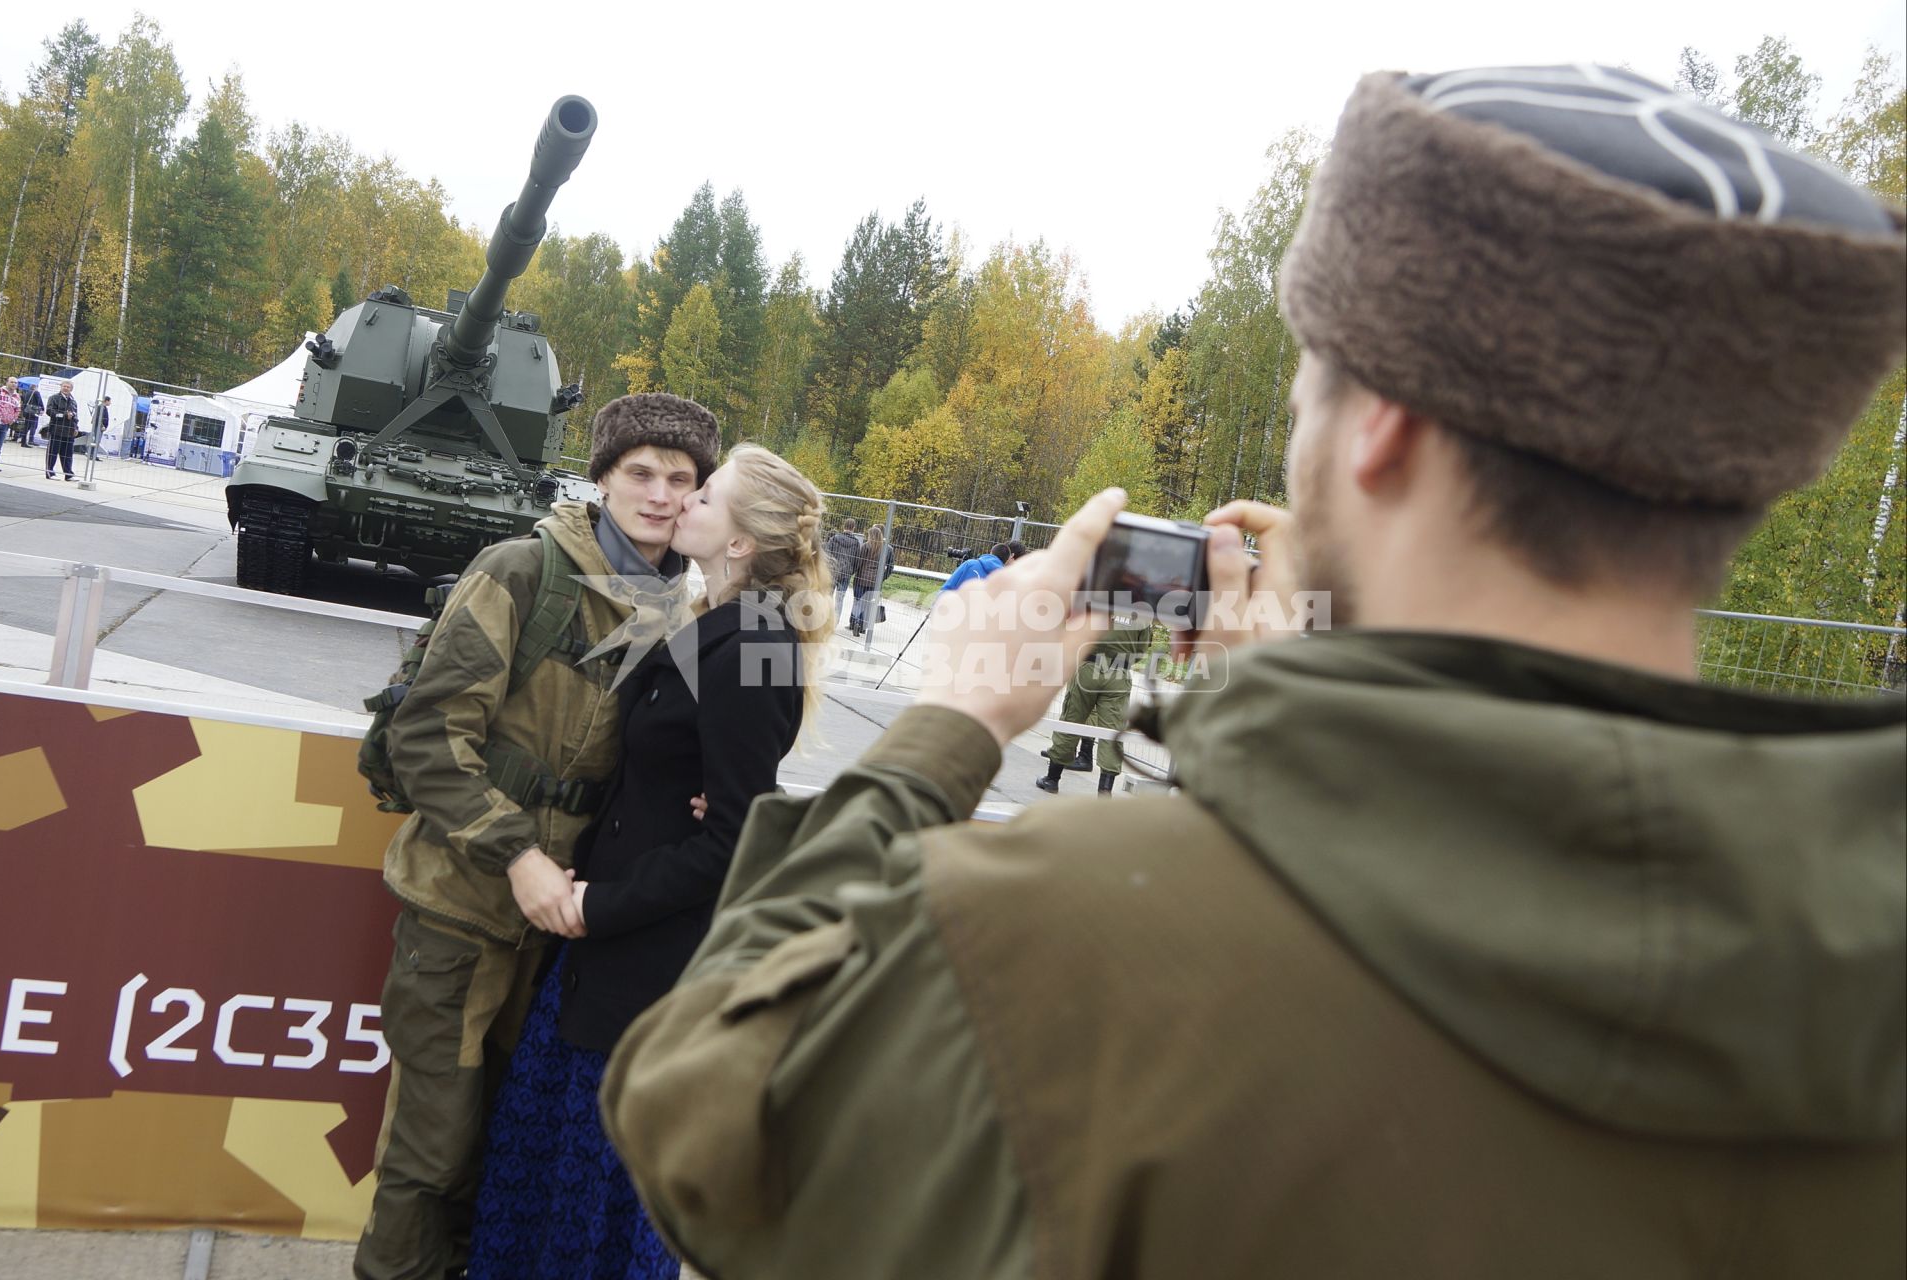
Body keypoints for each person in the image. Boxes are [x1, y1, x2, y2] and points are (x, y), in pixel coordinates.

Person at [599, 66, 1907, 1278]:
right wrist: (1289, 727)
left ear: (1381, 428)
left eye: (1305, 402)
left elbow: (705, 1114)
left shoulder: (1052, 952)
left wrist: (947, 725)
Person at [354, 393, 718, 1280]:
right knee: (432, 1153)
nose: (662, 494)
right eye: (641, 472)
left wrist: (709, 795)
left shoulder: (692, 608)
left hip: (573, 932)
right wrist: (517, 855)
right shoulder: (524, 570)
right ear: (602, 478)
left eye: (682, 478)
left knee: (514, 1153)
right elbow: (429, 736)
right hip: (464, 905)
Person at [468, 442, 828, 1280]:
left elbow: (737, 831)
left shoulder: (753, 641)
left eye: (706, 497)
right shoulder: (713, 619)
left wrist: (600, 906)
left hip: (646, 964)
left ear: (740, 543)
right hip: (615, 956)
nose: (684, 503)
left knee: (593, 1198)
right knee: (557, 1182)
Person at [1034, 615, 1150, 797]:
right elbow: (1141, 650)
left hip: (1088, 667)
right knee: (1112, 731)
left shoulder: (1097, 601)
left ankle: (1052, 779)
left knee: (1070, 722)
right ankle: (1104, 791)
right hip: (1119, 674)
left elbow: (1074, 633)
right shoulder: (1142, 613)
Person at [846, 523, 885, 636]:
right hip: (873, 581)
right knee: (867, 603)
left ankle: (856, 623)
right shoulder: (883, 549)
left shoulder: (865, 546)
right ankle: (863, 626)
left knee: (858, 602)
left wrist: (854, 572)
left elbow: (859, 562)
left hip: (861, 578)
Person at [939, 539, 1016, 591]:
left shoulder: (970, 564)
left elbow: (948, 588)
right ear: (1005, 561)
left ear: (991, 553)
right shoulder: (1005, 580)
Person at [42, 381, 80, 480]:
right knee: (52, 452)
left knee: (68, 454)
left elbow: (76, 416)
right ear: (61, 387)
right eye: (64, 386)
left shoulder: (73, 401)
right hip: (57, 429)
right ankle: (50, 473)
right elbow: (50, 411)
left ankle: (68, 474)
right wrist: (63, 415)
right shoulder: (54, 398)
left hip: (69, 431)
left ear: (71, 389)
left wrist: (76, 428)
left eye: (68, 387)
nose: (66, 388)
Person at [824, 517, 862, 608]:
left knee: (828, 597)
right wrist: (850, 572)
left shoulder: (834, 539)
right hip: (846, 574)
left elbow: (826, 554)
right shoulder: (856, 543)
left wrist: (829, 568)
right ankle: (836, 621)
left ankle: (826, 619)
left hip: (833, 572)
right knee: (839, 600)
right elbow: (857, 561)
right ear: (853, 528)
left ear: (843, 526)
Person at [0, 377, 20, 471]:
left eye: (15, 383)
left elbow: (18, 409)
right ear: (7, 382)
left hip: (6, 423)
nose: (14, 384)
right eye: (12, 382)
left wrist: (13, 419)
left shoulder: (17, 396)